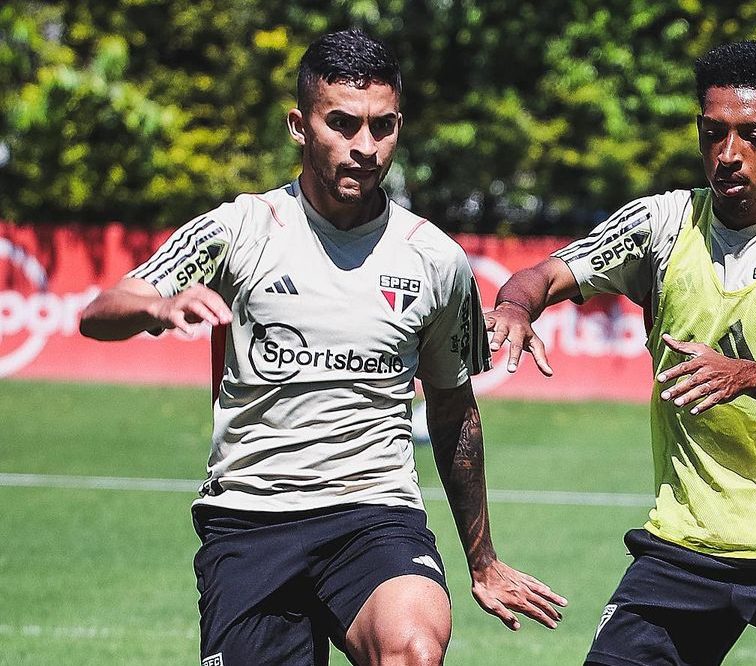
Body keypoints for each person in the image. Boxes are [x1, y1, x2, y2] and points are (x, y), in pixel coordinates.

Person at [80, 27, 565, 666]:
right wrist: (156, 305)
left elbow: (454, 412)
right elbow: (98, 312)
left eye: (383, 127)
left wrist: (483, 562)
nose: (365, 147)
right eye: (342, 123)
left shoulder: (435, 259)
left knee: (413, 650)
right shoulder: (240, 229)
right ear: (299, 126)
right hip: (252, 520)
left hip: (375, 515)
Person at [486, 40, 756, 665]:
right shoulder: (662, 224)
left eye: (753, 135)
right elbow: (543, 276)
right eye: (713, 133)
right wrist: (514, 307)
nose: (728, 155)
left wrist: (745, 377)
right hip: (687, 544)